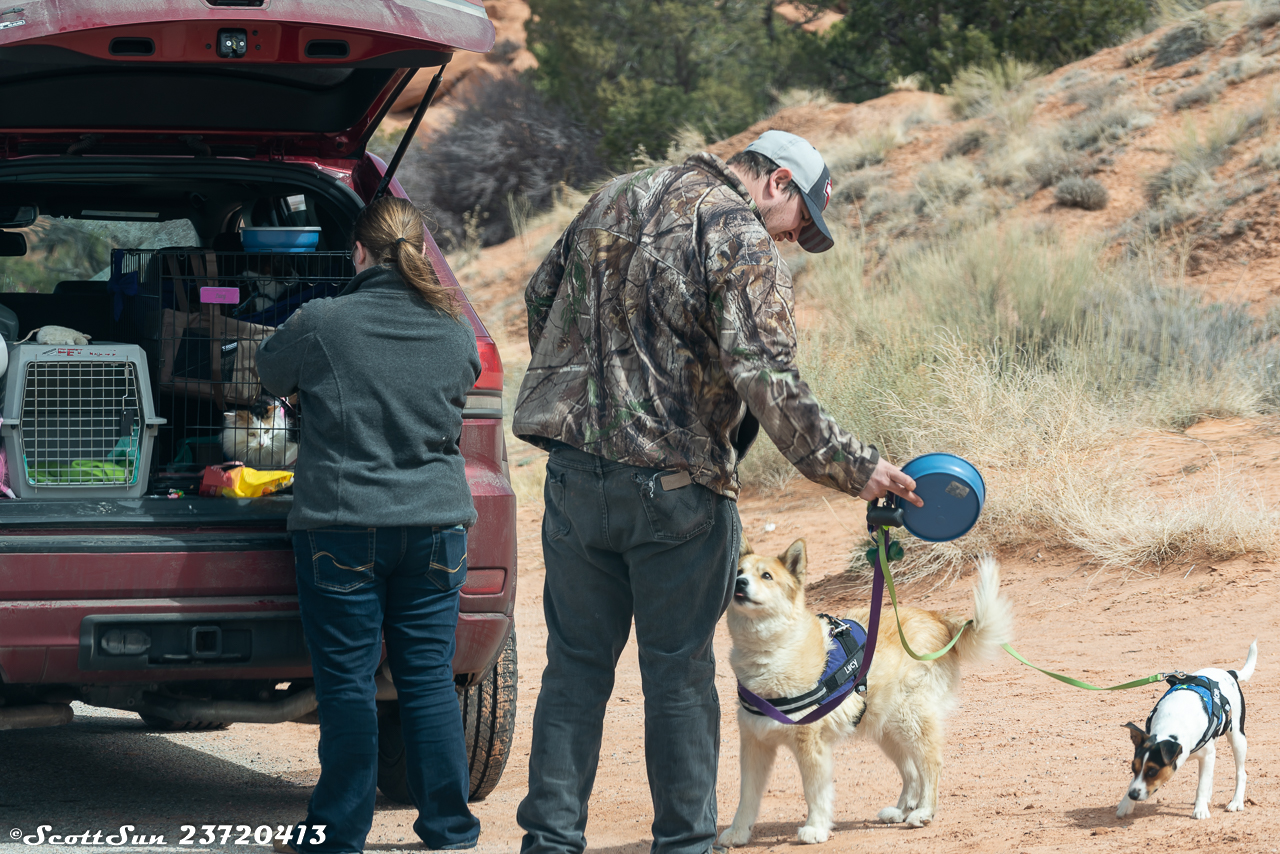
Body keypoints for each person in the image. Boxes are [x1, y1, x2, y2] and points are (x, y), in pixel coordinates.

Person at [511, 129, 924, 854]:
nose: (793, 241)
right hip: (676, 489)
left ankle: (547, 843)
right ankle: (684, 846)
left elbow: (540, 296)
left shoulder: (614, 195)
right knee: (678, 679)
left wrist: (590, 395)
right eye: (799, 226)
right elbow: (768, 377)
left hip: (575, 478)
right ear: (779, 184)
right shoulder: (739, 235)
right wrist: (854, 468)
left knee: (574, 671)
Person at [256, 197, 482, 854]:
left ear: (358, 252)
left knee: (348, 684)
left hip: (344, 525)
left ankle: (335, 838)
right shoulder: (455, 329)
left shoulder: (324, 321)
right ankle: (450, 828)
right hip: (437, 526)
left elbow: (268, 373)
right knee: (428, 678)